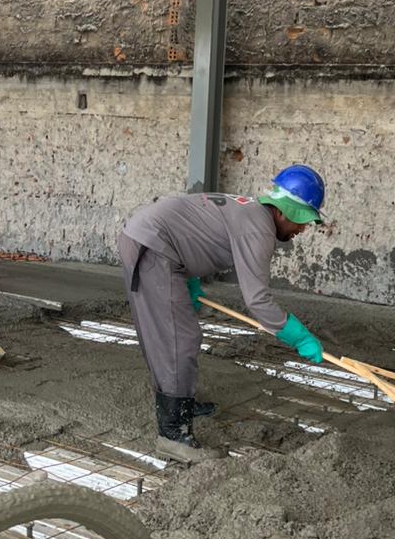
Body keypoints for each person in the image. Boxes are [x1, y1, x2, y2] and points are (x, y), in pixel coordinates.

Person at [119, 165, 326, 462]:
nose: (302, 229)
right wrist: (298, 336)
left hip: (156, 242)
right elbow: (257, 300)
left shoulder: (251, 212)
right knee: (177, 338)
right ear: (284, 211)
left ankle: (181, 403)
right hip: (152, 247)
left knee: (175, 334)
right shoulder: (260, 229)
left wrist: (188, 280)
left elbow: (192, 227)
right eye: (302, 222)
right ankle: (172, 434)